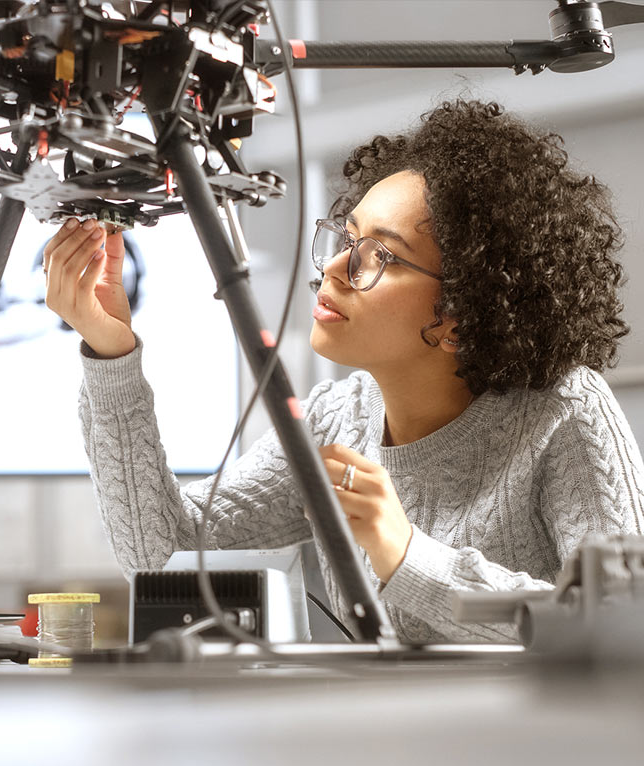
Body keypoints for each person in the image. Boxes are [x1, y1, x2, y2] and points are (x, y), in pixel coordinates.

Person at [43, 99, 644, 643]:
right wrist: (110, 355)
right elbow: (161, 553)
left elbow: (622, 625)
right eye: (346, 238)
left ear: (463, 313)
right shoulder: (340, 418)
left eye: (377, 256)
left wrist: (406, 555)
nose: (333, 267)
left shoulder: (564, 411)